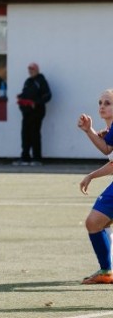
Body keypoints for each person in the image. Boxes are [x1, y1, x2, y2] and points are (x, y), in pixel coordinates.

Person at [77, 89, 113, 284]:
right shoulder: (110, 131)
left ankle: (106, 271)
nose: (102, 106)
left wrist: (88, 130)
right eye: (100, 102)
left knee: (94, 222)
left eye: (107, 103)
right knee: (102, 223)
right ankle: (107, 269)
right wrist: (92, 176)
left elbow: (106, 150)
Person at [14, 62, 52, 166]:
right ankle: (25, 157)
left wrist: (36, 103)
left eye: (32, 69)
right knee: (25, 134)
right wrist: (20, 97)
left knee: (35, 134)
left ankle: (37, 158)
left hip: (37, 112)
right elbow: (25, 93)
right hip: (26, 112)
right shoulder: (28, 81)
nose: (30, 71)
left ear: (37, 70)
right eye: (29, 69)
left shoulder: (41, 81)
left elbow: (48, 95)